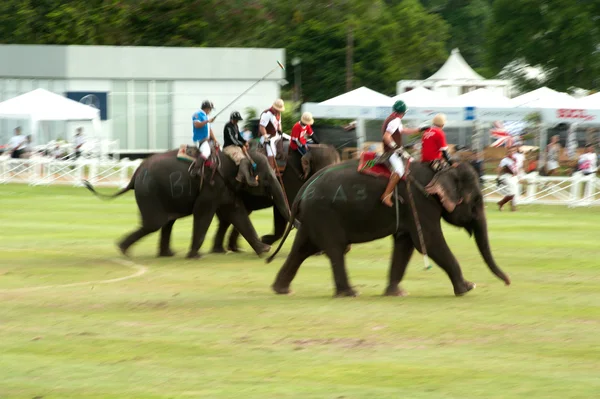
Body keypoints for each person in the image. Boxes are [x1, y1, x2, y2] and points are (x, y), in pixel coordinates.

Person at [380, 100, 423, 207]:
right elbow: (386, 137)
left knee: (412, 161)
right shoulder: (395, 121)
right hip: (392, 152)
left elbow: (403, 130)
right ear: (403, 113)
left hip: (395, 150)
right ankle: (386, 195)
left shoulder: (394, 118)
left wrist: (419, 129)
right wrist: (396, 148)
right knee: (399, 171)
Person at [223, 111, 257, 186]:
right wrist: (242, 145)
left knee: (247, 158)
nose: (237, 121)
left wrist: (245, 142)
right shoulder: (228, 126)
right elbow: (232, 139)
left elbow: (239, 136)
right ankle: (239, 178)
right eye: (236, 119)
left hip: (236, 146)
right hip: (229, 147)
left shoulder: (236, 126)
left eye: (238, 120)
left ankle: (244, 176)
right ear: (232, 119)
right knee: (242, 159)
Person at [290, 111, 319, 179]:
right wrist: (303, 146)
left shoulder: (307, 125)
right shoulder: (296, 126)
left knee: (312, 147)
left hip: (303, 141)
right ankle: (306, 172)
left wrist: (318, 143)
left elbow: (312, 134)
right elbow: (295, 140)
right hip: (296, 145)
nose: (307, 124)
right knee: (306, 156)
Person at [258, 99, 285, 169]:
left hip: (275, 135)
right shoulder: (266, 114)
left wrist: (280, 130)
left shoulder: (278, 113)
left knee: (289, 139)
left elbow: (279, 124)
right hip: (267, 135)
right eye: (278, 109)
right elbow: (262, 127)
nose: (279, 111)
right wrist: (266, 137)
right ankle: (271, 168)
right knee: (271, 149)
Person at [192, 100, 219, 167]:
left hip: (207, 140)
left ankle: (207, 163)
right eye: (210, 109)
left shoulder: (207, 116)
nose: (210, 111)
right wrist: (207, 121)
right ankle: (196, 169)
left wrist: (215, 139)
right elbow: (197, 125)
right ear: (207, 108)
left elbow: (209, 129)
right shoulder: (197, 115)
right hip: (199, 140)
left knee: (218, 148)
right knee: (206, 152)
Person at [496, 146, 518, 211]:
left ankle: (502, 203)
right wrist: (498, 177)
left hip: (514, 177)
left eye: (513, 151)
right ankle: (511, 206)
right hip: (507, 176)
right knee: (513, 192)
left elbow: (515, 168)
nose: (511, 152)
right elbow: (499, 168)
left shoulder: (515, 159)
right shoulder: (505, 160)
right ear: (508, 152)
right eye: (510, 151)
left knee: (514, 193)